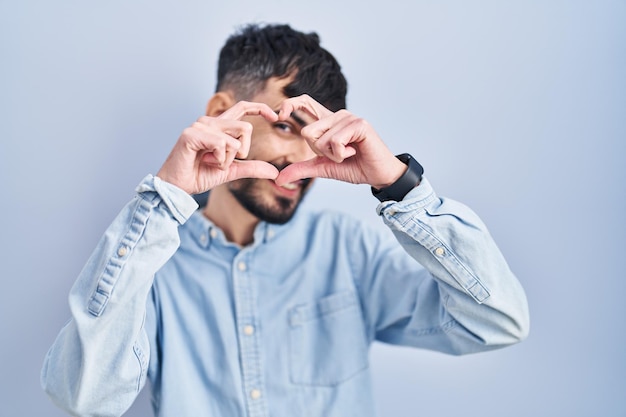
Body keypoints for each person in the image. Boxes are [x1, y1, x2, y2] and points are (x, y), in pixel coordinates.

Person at [41, 23, 529, 417]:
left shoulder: (348, 251)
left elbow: (496, 322)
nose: (301, 159)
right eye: (282, 126)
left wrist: (401, 186)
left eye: (315, 135)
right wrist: (164, 198)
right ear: (219, 113)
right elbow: (84, 399)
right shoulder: (152, 263)